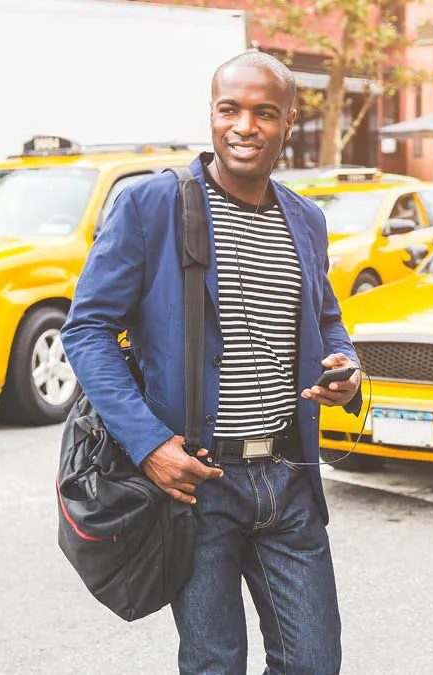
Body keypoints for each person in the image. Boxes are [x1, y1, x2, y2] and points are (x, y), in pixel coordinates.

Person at [60, 50, 364, 674]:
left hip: (289, 477)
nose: (244, 126)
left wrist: (345, 366)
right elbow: (88, 330)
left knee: (314, 662)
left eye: (264, 113)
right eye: (229, 109)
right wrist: (149, 446)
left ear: (289, 123)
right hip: (198, 484)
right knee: (214, 664)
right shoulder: (150, 205)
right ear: (211, 114)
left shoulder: (305, 219)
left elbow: (326, 315)